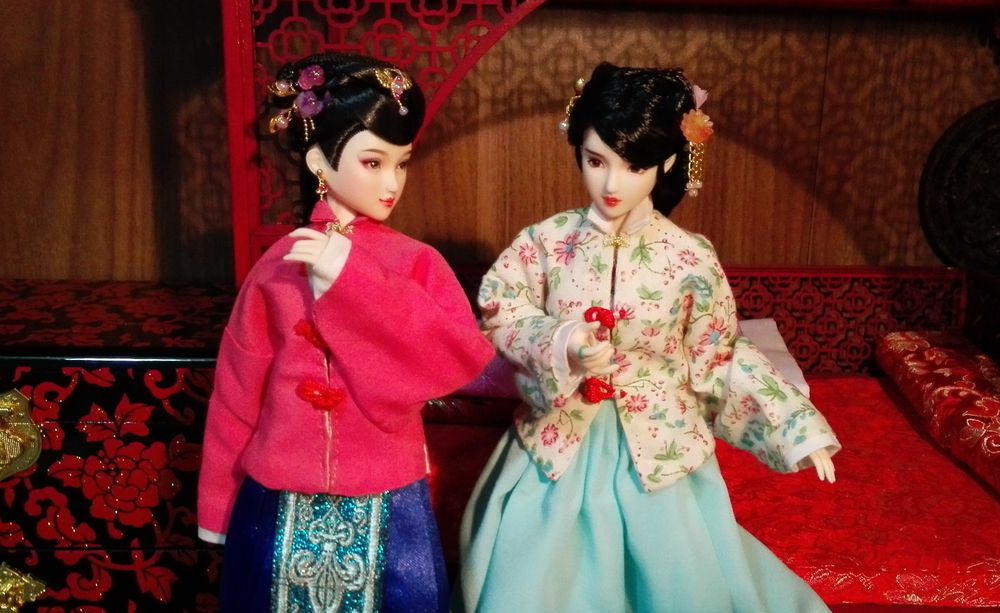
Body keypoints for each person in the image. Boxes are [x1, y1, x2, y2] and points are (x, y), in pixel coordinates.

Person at [456, 62, 841, 612]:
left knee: (678, 576)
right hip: (559, 440)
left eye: (633, 166)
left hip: (659, 446)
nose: (612, 184)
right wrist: (562, 341)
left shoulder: (689, 257)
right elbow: (501, 309)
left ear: (666, 162)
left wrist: (794, 427)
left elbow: (718, 353)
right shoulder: (546, 241)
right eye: (596, 161)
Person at [197, 52, 495, 613]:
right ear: (319, 161)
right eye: (373, 162)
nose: (391, 183)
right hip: (279, 491)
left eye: (401, 164)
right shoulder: (276, 268)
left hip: (387, 489)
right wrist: (217, 507)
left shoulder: (416, 263)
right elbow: (237, 394)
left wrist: (351, 278)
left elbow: (456, 355)